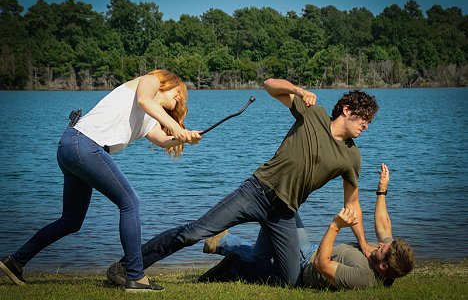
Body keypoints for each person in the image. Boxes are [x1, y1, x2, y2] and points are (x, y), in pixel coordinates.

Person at [106, 78, 379, 287]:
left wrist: (365, 246)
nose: (366, 125)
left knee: (292, 280)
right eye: (364, 118)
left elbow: (352, 206)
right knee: (193, 232)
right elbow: (269, 85)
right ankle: (128, 267)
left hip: (284, 214)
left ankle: (234, 266)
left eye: (369, 122)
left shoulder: (352, 157)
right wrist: (297, 89)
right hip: (255, 192)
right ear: (346, 110)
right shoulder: (313, 114)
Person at [0, 69, 201, 292]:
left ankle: (15, 261)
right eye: (178, 90)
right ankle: (135, 276)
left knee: (71, 221)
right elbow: (144, 100)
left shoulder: (149, 119)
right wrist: (176, 127)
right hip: (85, 145)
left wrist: (185, 137)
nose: (180, 97)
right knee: (130, 203)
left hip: (71, 146)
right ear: (166, 83)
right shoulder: (149, 82)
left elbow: (162, 140)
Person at [199, 163, 415, 290]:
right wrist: (382, 190)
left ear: (384, 267)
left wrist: (335, 226)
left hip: (304, 265)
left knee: (280, 210)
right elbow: (384, 226)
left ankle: (225, 244)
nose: (379, 244)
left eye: (382, 249)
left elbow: (322, 264)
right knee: (280, 210)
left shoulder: (362, 277)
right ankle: (222, 242)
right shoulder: (387, 257)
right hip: (309, 250)